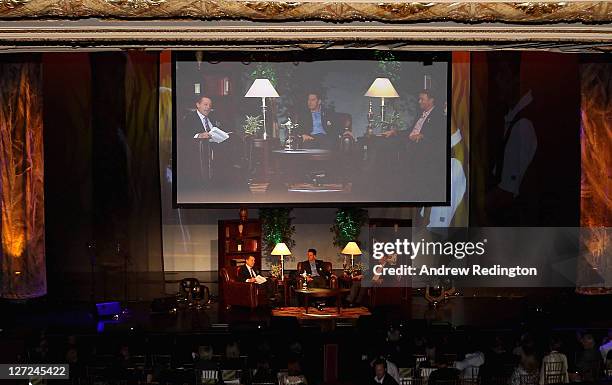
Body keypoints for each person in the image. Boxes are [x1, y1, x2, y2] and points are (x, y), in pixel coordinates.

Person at [178, 95, 221, 192]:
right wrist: (199, 136)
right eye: (205, 104)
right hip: (196, 152)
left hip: (214, 148)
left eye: (210, 105)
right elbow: (183, 136)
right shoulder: (189, 118)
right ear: (198, 105)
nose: (208, 107)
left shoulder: (213, 117)